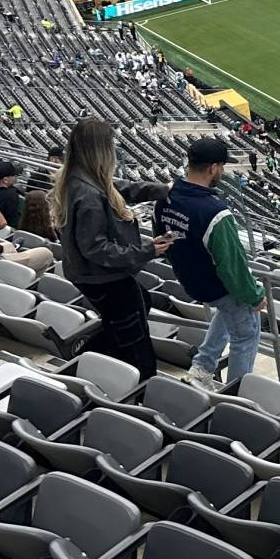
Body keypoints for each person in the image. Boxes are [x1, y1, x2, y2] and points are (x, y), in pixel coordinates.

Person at [53, 118, 172, 380]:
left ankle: (83, 356)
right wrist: (148, 250)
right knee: (135, 337)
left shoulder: (77, 176)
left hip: (87, 273)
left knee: (139, 304)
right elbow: (97, 249)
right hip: (103, 277)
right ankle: (143, 385)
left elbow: (118, 189)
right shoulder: (88, 194)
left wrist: (162, 190)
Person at [159, 136, 267, 391]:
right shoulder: (215, 211)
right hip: (216, 284)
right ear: (213, 168)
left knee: (227, 312)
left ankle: (203, 367)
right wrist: (254, 296)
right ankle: (235, 397)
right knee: (246, 332)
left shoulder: (166, 196)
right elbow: (232, 265)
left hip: (191, 280)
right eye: (222, 166)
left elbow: (162, 240)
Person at [0, 159, 28, 230]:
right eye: (14, 175)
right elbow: (15, 221)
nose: (16, 177)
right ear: (5, 180)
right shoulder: (11, 195)